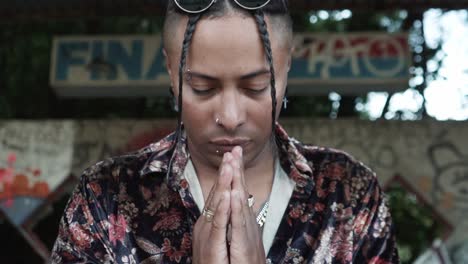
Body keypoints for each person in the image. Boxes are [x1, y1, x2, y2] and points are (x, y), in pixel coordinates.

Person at [51, 0, 399, 263]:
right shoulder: (106, 196)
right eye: (202, 88)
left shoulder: (348, 194)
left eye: (256, 87)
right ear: (172, 73)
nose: (230, 117)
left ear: (286, 66)